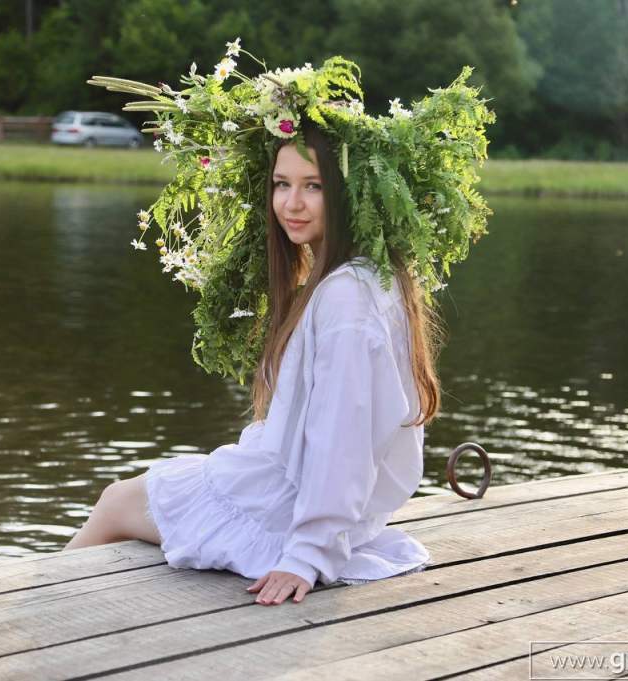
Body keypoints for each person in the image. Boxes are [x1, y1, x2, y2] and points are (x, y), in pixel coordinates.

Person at [67, 42, 493, 607]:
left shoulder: (346, 297)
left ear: (348, 192)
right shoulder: (369, 273)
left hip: (292, 507)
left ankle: (26, 616)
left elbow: (343, 432)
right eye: (281, 184)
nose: (291, 203)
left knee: (116, 502)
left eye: (313, 186)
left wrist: (307, 554)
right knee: (128, 501)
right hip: (297, 485)